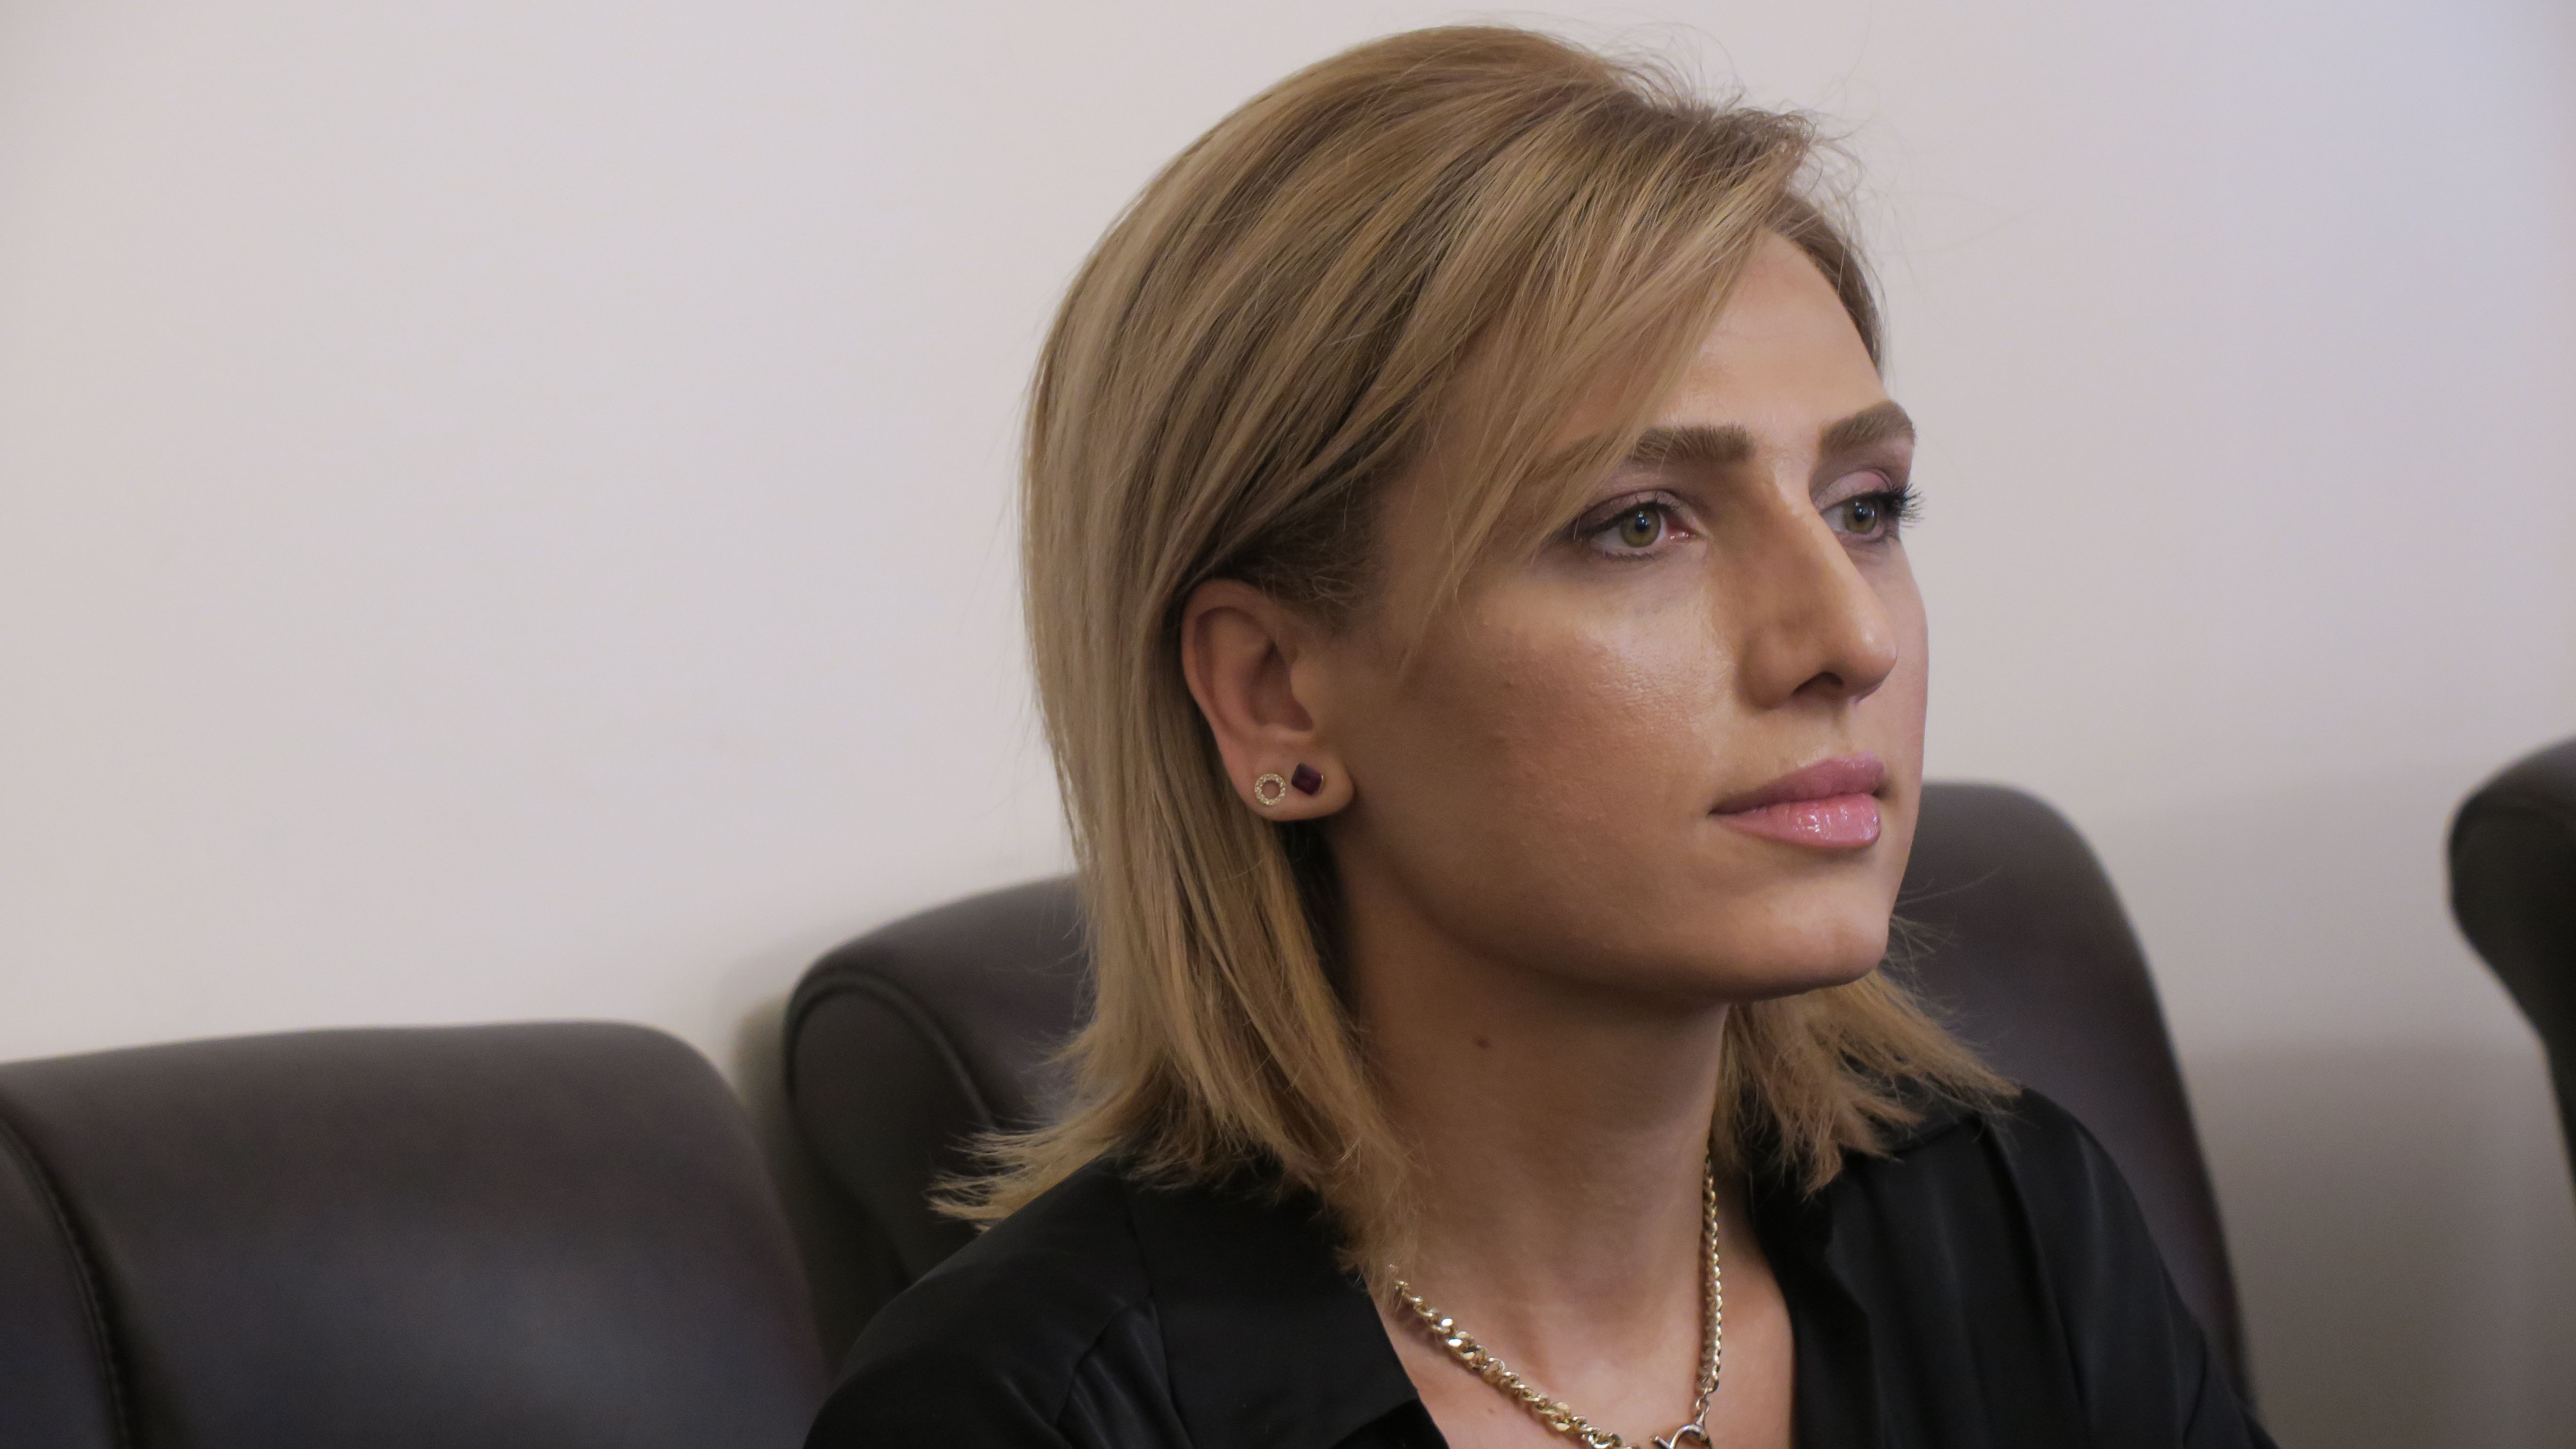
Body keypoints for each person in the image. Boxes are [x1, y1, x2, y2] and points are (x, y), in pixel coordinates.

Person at [808, 25, 2272, 1449]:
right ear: (1274, 694)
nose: (1851, 637)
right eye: (1637, 523)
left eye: (1865, 507)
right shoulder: (1017, 1417)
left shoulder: (2010, 1223)